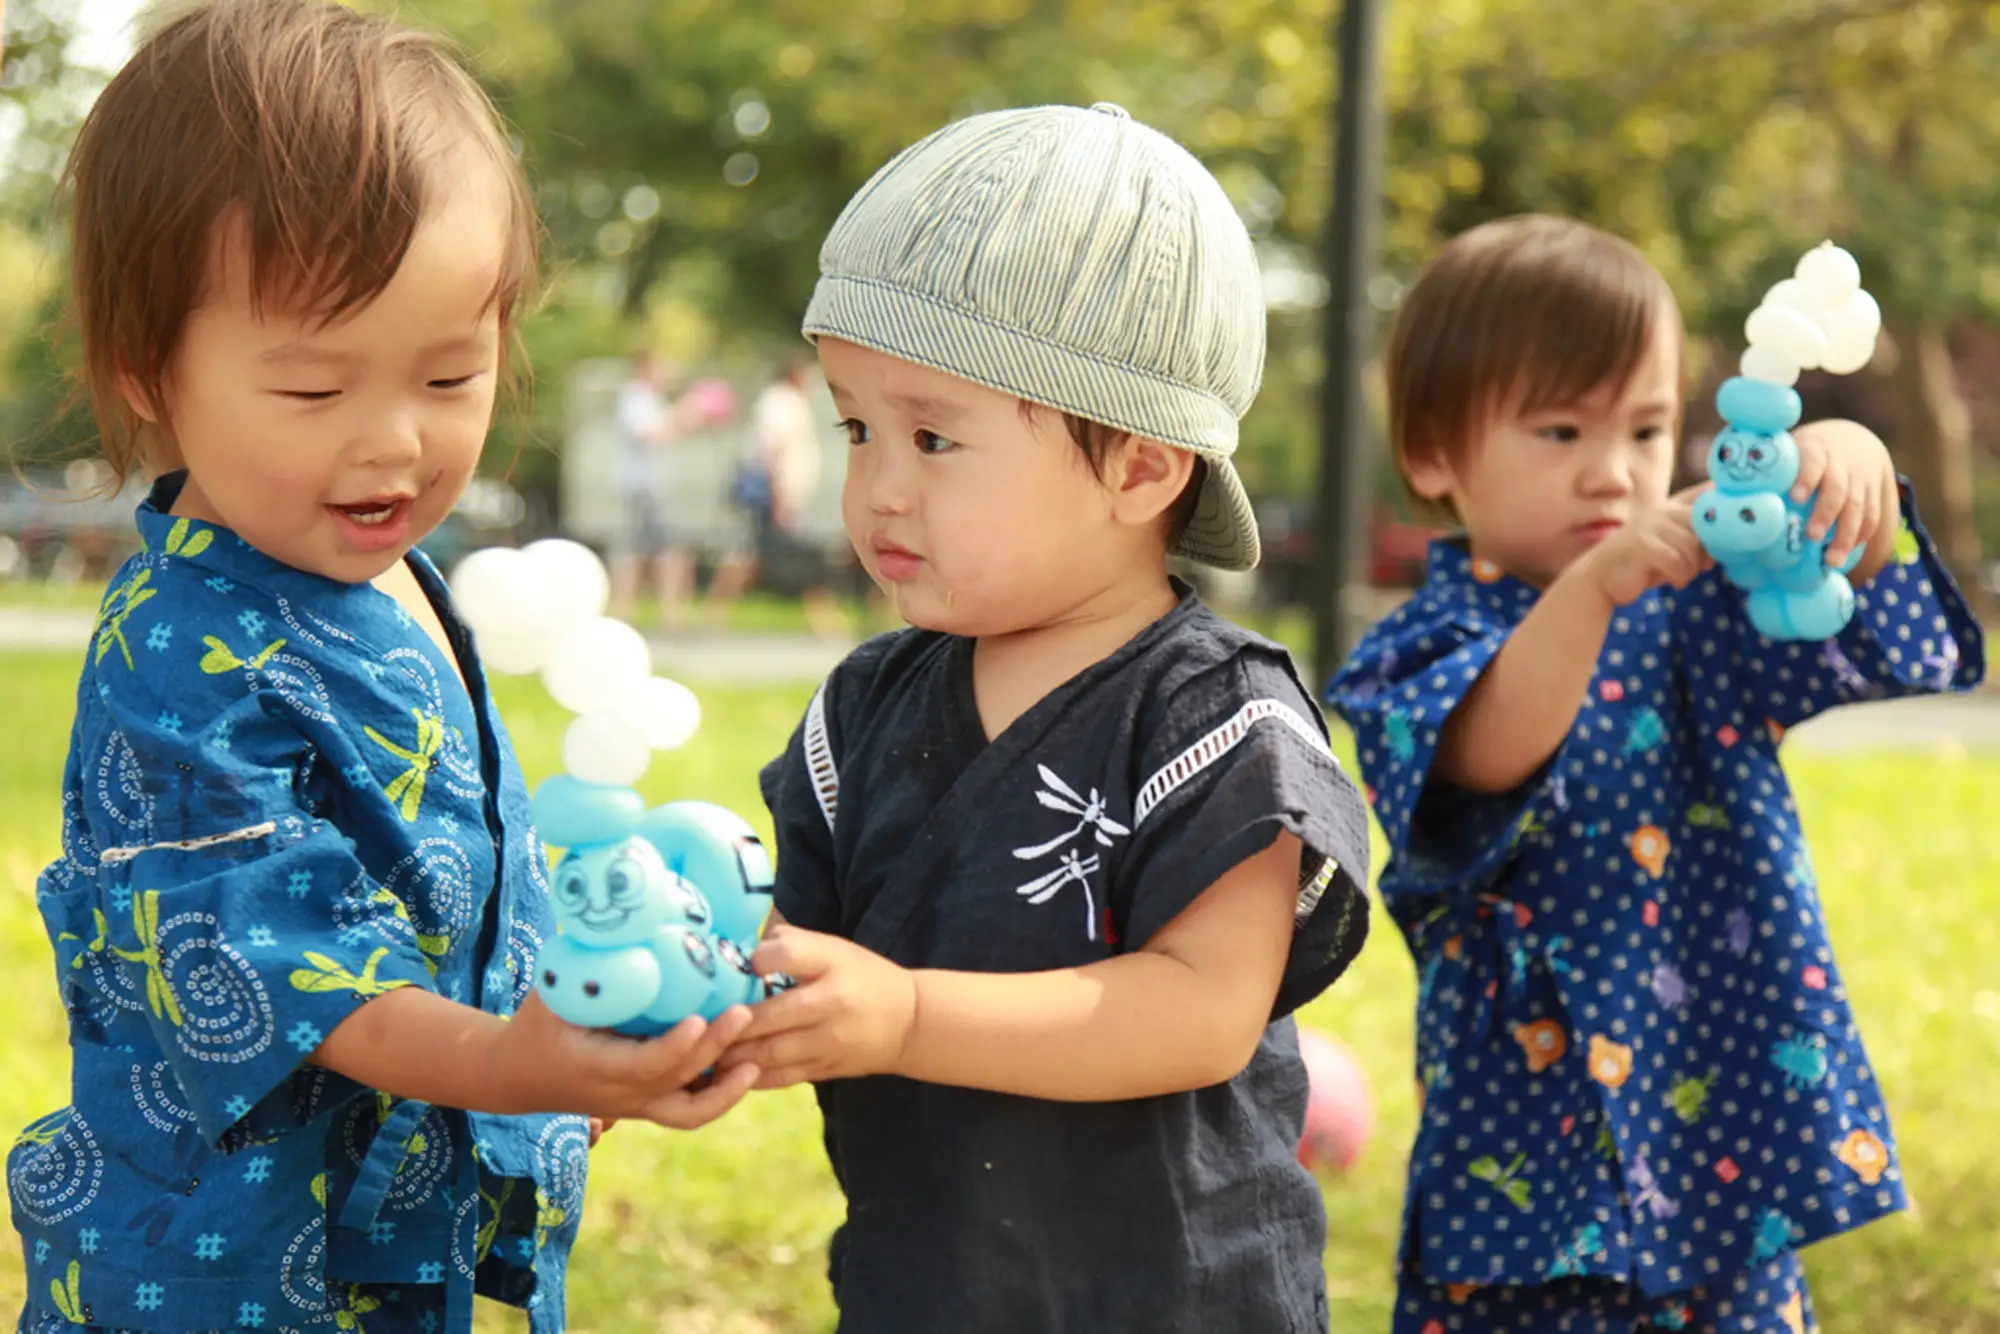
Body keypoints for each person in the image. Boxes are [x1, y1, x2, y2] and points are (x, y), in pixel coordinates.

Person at [6, 5, 758, 1332]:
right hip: (229, 1276)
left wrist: (608, 1018)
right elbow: (293, 964)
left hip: (400, 1236)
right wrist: (514, 1062)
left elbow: (459, 872)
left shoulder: (393, 573)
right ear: (152, 374)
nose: (395, 446)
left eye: (451, 373)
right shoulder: (179, 652)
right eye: (313, 390)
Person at [725, 103, 1373, 1332]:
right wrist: (679, 1006)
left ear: (1138, 467)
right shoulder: (866, 705)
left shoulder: (1211, 711)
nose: (877, 486)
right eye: (855, 427)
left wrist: (908, 1014)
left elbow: (1197, 1008)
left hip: (1173, 1299)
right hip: (925, 1289)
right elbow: (791, 950)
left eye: (931, 434)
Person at [1323, 215, 1986, 1334]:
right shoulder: (1414, 648)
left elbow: (1874, 634)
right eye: (1558, 428)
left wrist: (1855, 491)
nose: (1612, 470)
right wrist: (1590, 590)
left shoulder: (1698, 609)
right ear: (1433, 454)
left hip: (1722, 1133)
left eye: (1643, 426)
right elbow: (1483, 750)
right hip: (1521, 1171)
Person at [710, 356, 844, 635]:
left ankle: (715, 613)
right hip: (776, 497)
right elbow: (774, 448)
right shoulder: (782, 402)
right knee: (780, 554)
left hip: (783, 496)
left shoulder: (784, 402)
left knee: (756, 553)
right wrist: (780, 497)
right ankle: (823, 618)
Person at [610, 348, 698, 628]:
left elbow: (666, 435)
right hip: (643, 485)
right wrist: (679, 414)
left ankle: (665, 609)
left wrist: (685, 421)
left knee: (656, 547)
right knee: (649, 548)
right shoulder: (635, 398)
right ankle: (634, 608)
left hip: (656, 485)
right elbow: (647, 435)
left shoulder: (652, 400)